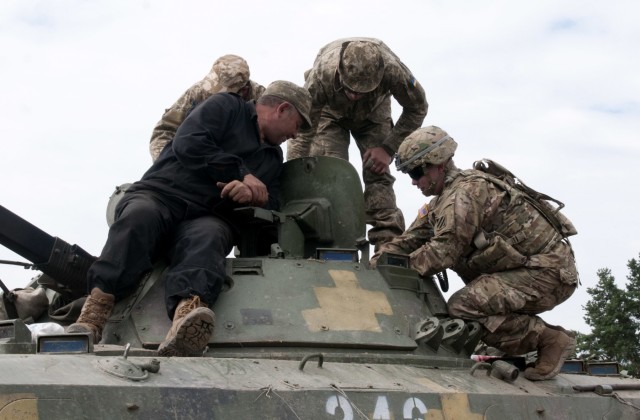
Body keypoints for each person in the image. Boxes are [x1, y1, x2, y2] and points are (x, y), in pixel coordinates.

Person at [68, 80, 312, 357]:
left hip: (207, 214)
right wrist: (239, 172)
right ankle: (94, 313)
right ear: (282, 109)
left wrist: (255, 195)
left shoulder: (272, 157)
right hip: (162, 194)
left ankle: (187, 319)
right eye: (299, 124)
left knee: (210, 237)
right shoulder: (227, 107)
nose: (295, 135)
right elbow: (190, 142)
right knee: (139, 217)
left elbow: (275, 199)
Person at [371, 126, 579, 381]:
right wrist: (375, 264)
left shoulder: (465, 195)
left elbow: (442, 253)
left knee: (463, 306)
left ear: (438, 165)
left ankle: (550, 341)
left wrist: (393, 271)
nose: (414, 181)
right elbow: (408, 240)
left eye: (416, 172)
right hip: (524, 272)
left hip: (548, 273)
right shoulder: (440, 204)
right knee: (475, 300)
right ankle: (529, 340)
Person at [286, 37, 428, 250]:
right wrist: (295, 174)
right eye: (350, 89)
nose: (354, 96)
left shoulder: (393, 71)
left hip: (374, 113)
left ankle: (388, 247)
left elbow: (417, 108)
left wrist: (388, 148)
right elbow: (303, 132)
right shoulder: (322, 74)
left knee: (378, 175)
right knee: (328, 174)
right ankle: (331, 246)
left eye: (362, 91)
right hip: (329, 114)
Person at [149, 54, 266, 161]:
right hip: (195, 159)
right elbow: (164, 131)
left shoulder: (262, 100)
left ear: (244, 91)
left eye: (223, 94)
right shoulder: (198, 92)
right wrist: (168, 163)